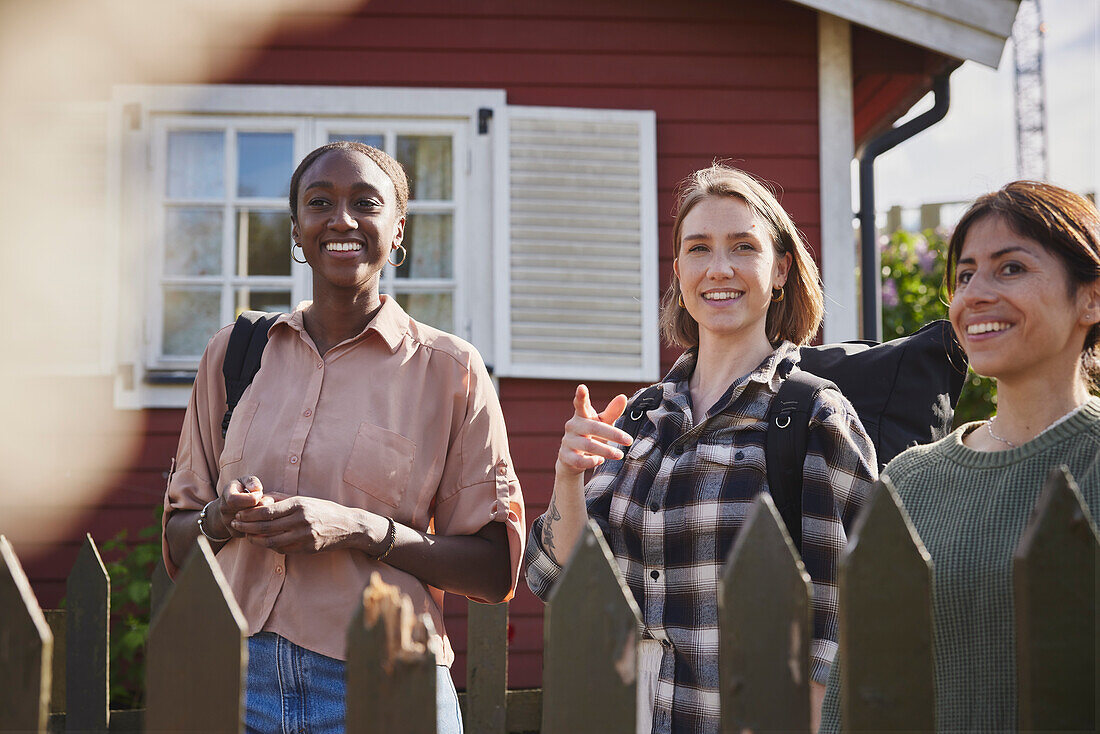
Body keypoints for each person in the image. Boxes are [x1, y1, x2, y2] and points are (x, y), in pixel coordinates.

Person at [161, 141, 525, 734]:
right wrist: (222, 519)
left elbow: (492, 571)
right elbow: (178, 543)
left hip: (385, 686)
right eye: (320, 202)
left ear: (398, 229)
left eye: (366, 203)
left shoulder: (449, 371)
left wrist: (359, 529)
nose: (342, 220)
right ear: (297, 230)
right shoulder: (234, 354)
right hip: (235, 683)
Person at [525, 163, 878, 734]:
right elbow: (558, 580)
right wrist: (568, 478)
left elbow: (841, 625)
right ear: (679, 272)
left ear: (780, 269)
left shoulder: (814, 416)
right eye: (699, 249)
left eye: (743, 246)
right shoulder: (641, 416)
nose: (719, 269)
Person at [820, 180, 1100, 732]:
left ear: (1091, 297)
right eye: (965, 275)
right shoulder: (910, 478)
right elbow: (856, 695)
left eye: (1011, 268)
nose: (973, 295)